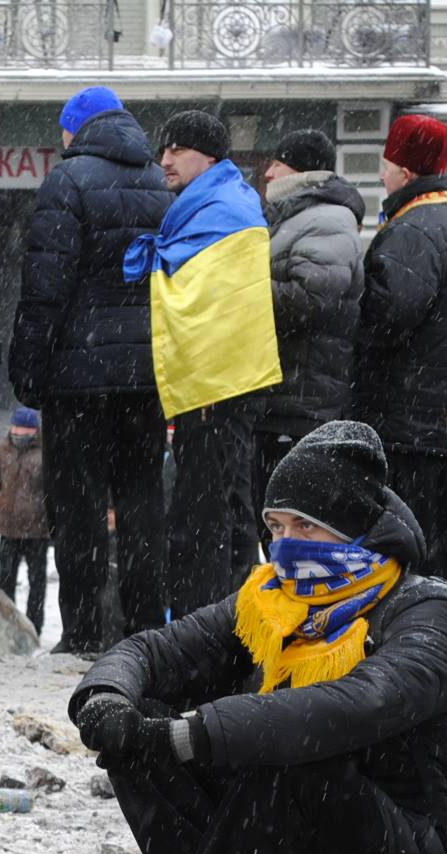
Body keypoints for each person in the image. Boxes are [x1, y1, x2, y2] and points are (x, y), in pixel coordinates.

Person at [67, 422, 447, 854]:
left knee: (294, 742)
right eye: (276, 527)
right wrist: (106, 699)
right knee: (138, 732)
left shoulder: (427, 611)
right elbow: (155, 651)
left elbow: (353, 706)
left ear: (350, 529)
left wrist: (196, 733)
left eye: (305, 526)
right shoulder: (272, 598)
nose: (285, 545)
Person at [7, 87, 171, 655]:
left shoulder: (68, 181)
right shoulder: (159, 180)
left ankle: (81, 632)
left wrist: (28, 369)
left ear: (76, 129)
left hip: (79, 378)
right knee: (141, 500)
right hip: (147, 373)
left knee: (77, 508)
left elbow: (44, 287)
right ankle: (144, 627)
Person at [127, 110, 280, 619]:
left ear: (209, 157)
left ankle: (202, 624)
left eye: (177, 150)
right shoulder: (218, 201)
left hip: (217, 382)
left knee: (204, 513)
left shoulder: (222, 209)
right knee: (225, 507)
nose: (164, 160)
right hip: (225, 380)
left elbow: (204, 295)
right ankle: (227, 617)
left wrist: (158, 268)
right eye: (164, 149)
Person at [350, 115, 447, 623]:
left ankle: (414, 644)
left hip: (404, 420)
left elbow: (388, 319)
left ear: (404, 170)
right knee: (445, 555)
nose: (382, 175)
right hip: (436, 418)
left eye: (386, 165)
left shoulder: (415, 229)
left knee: (409, 551)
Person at [254, 129, 365, 532]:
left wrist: (241, 292)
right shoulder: (299, 216)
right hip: (286, 396)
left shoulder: (326, 219)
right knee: (277, 519)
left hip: (303, 399)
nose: (268, 173)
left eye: (277, 163)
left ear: (298, 170)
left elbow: (312, 298)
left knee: (297, 522)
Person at [0, 406, 50, 633]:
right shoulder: (4, 450)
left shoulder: (45, 453)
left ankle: (34, 627)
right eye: (16, 428)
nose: (19, 434)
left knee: (37, 584)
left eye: (25, 430)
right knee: (6, 582)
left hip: (37, 532)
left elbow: (51, 493)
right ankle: (7, 626)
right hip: (8, 529)